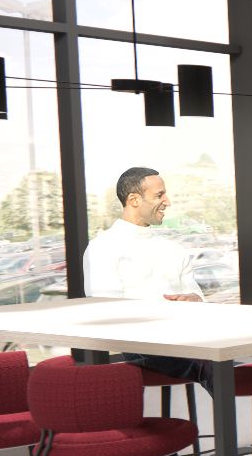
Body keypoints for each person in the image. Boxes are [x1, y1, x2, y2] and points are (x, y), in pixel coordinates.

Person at [83, 166, 211, 388]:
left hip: (184, 338)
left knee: (223, 361)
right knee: (214, 365)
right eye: (159, 195)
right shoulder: (102, 248)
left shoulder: (172, 248)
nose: (167, 202)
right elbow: (105, 310)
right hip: (142, 344)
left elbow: (198, 296)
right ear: (134, 200)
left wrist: (195, 299)